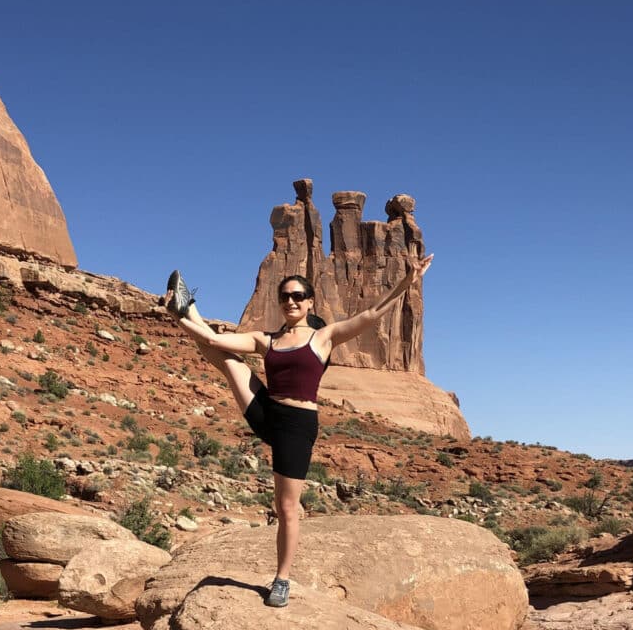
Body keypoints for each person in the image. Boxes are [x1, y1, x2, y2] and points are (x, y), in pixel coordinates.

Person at [164, 254, 433, 607]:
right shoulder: (267, 339)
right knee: (223, 355)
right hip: (266, 410)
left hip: (297, 425)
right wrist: (181, 320)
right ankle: (186, 309)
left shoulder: (324, 338)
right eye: (284, 296)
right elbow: (215, 342)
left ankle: (282, 579)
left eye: (296, 296)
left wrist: (406, 283)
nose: (289, 301)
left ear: (309, 303)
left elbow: (370, 315)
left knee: (286, 507)